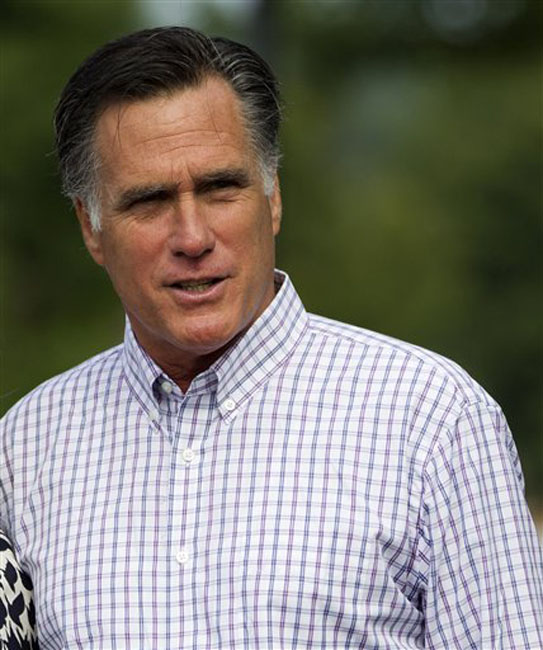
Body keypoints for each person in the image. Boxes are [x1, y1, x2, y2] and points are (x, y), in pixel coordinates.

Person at [1, 26, 541, 649]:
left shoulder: (435, 423)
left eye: (220, 188)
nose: (192, 236)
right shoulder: (25, 450)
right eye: (148, 202)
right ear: (91, 228)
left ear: (273, 195)